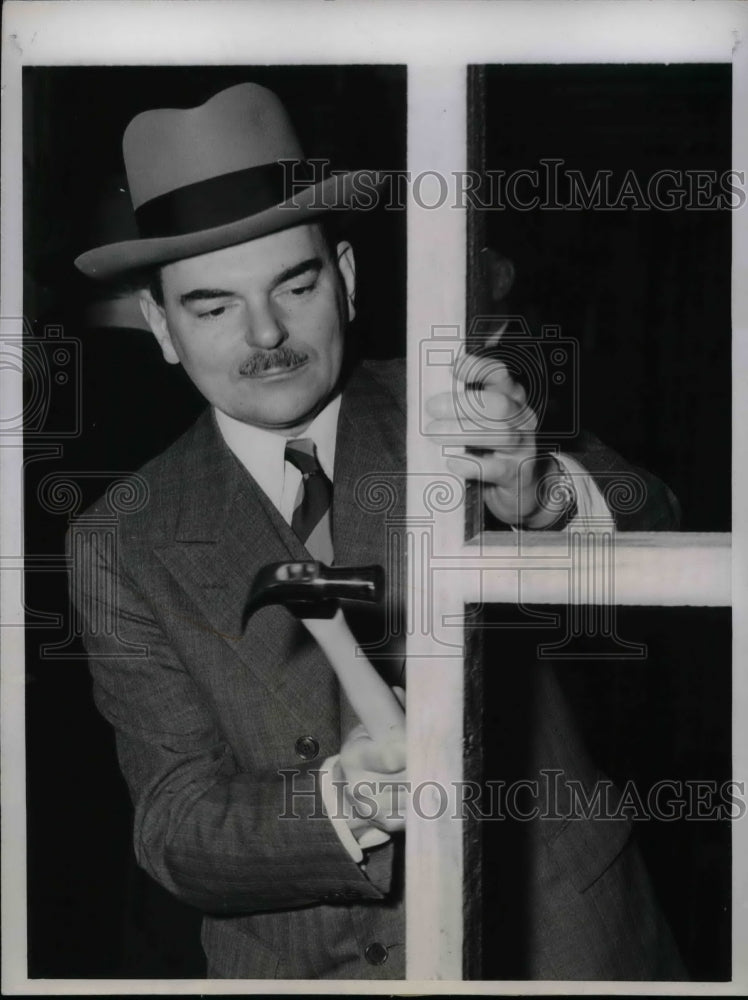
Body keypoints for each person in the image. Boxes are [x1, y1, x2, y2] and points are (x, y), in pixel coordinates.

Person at [71, 81, 682, 980]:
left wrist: (540, 493)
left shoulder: (453, 404)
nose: (266, 332)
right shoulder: (117, 541)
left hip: (557, 943)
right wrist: (344, 802)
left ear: (347, 279)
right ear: (162, 326)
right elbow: (173, 827)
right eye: (212, 307)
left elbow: (658, 528)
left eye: (297, 281)